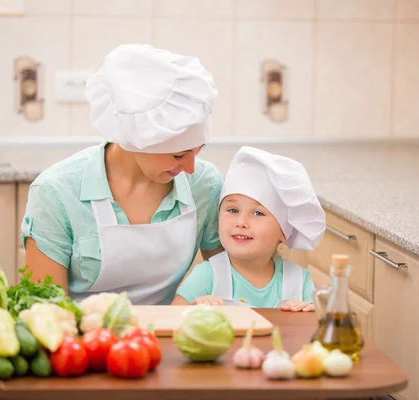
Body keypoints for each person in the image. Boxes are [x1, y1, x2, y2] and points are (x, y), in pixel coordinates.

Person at [21, 44, 224, 305]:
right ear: (135, 139)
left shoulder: (205, 185)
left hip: (169, 336)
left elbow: (233, 280)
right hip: (84, 340)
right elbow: (45, 311)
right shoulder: (56, 192)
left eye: (198, 150)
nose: (190, 168)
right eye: (178, 155)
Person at [172, 146, 326, 311]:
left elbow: (315, 329)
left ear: (283, 231)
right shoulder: (207, 276)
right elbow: (169, 320)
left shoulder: (299, 281)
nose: (241, 222)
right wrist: (195, 311)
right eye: (233, 210)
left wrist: (306, 313)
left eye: (258, 213)